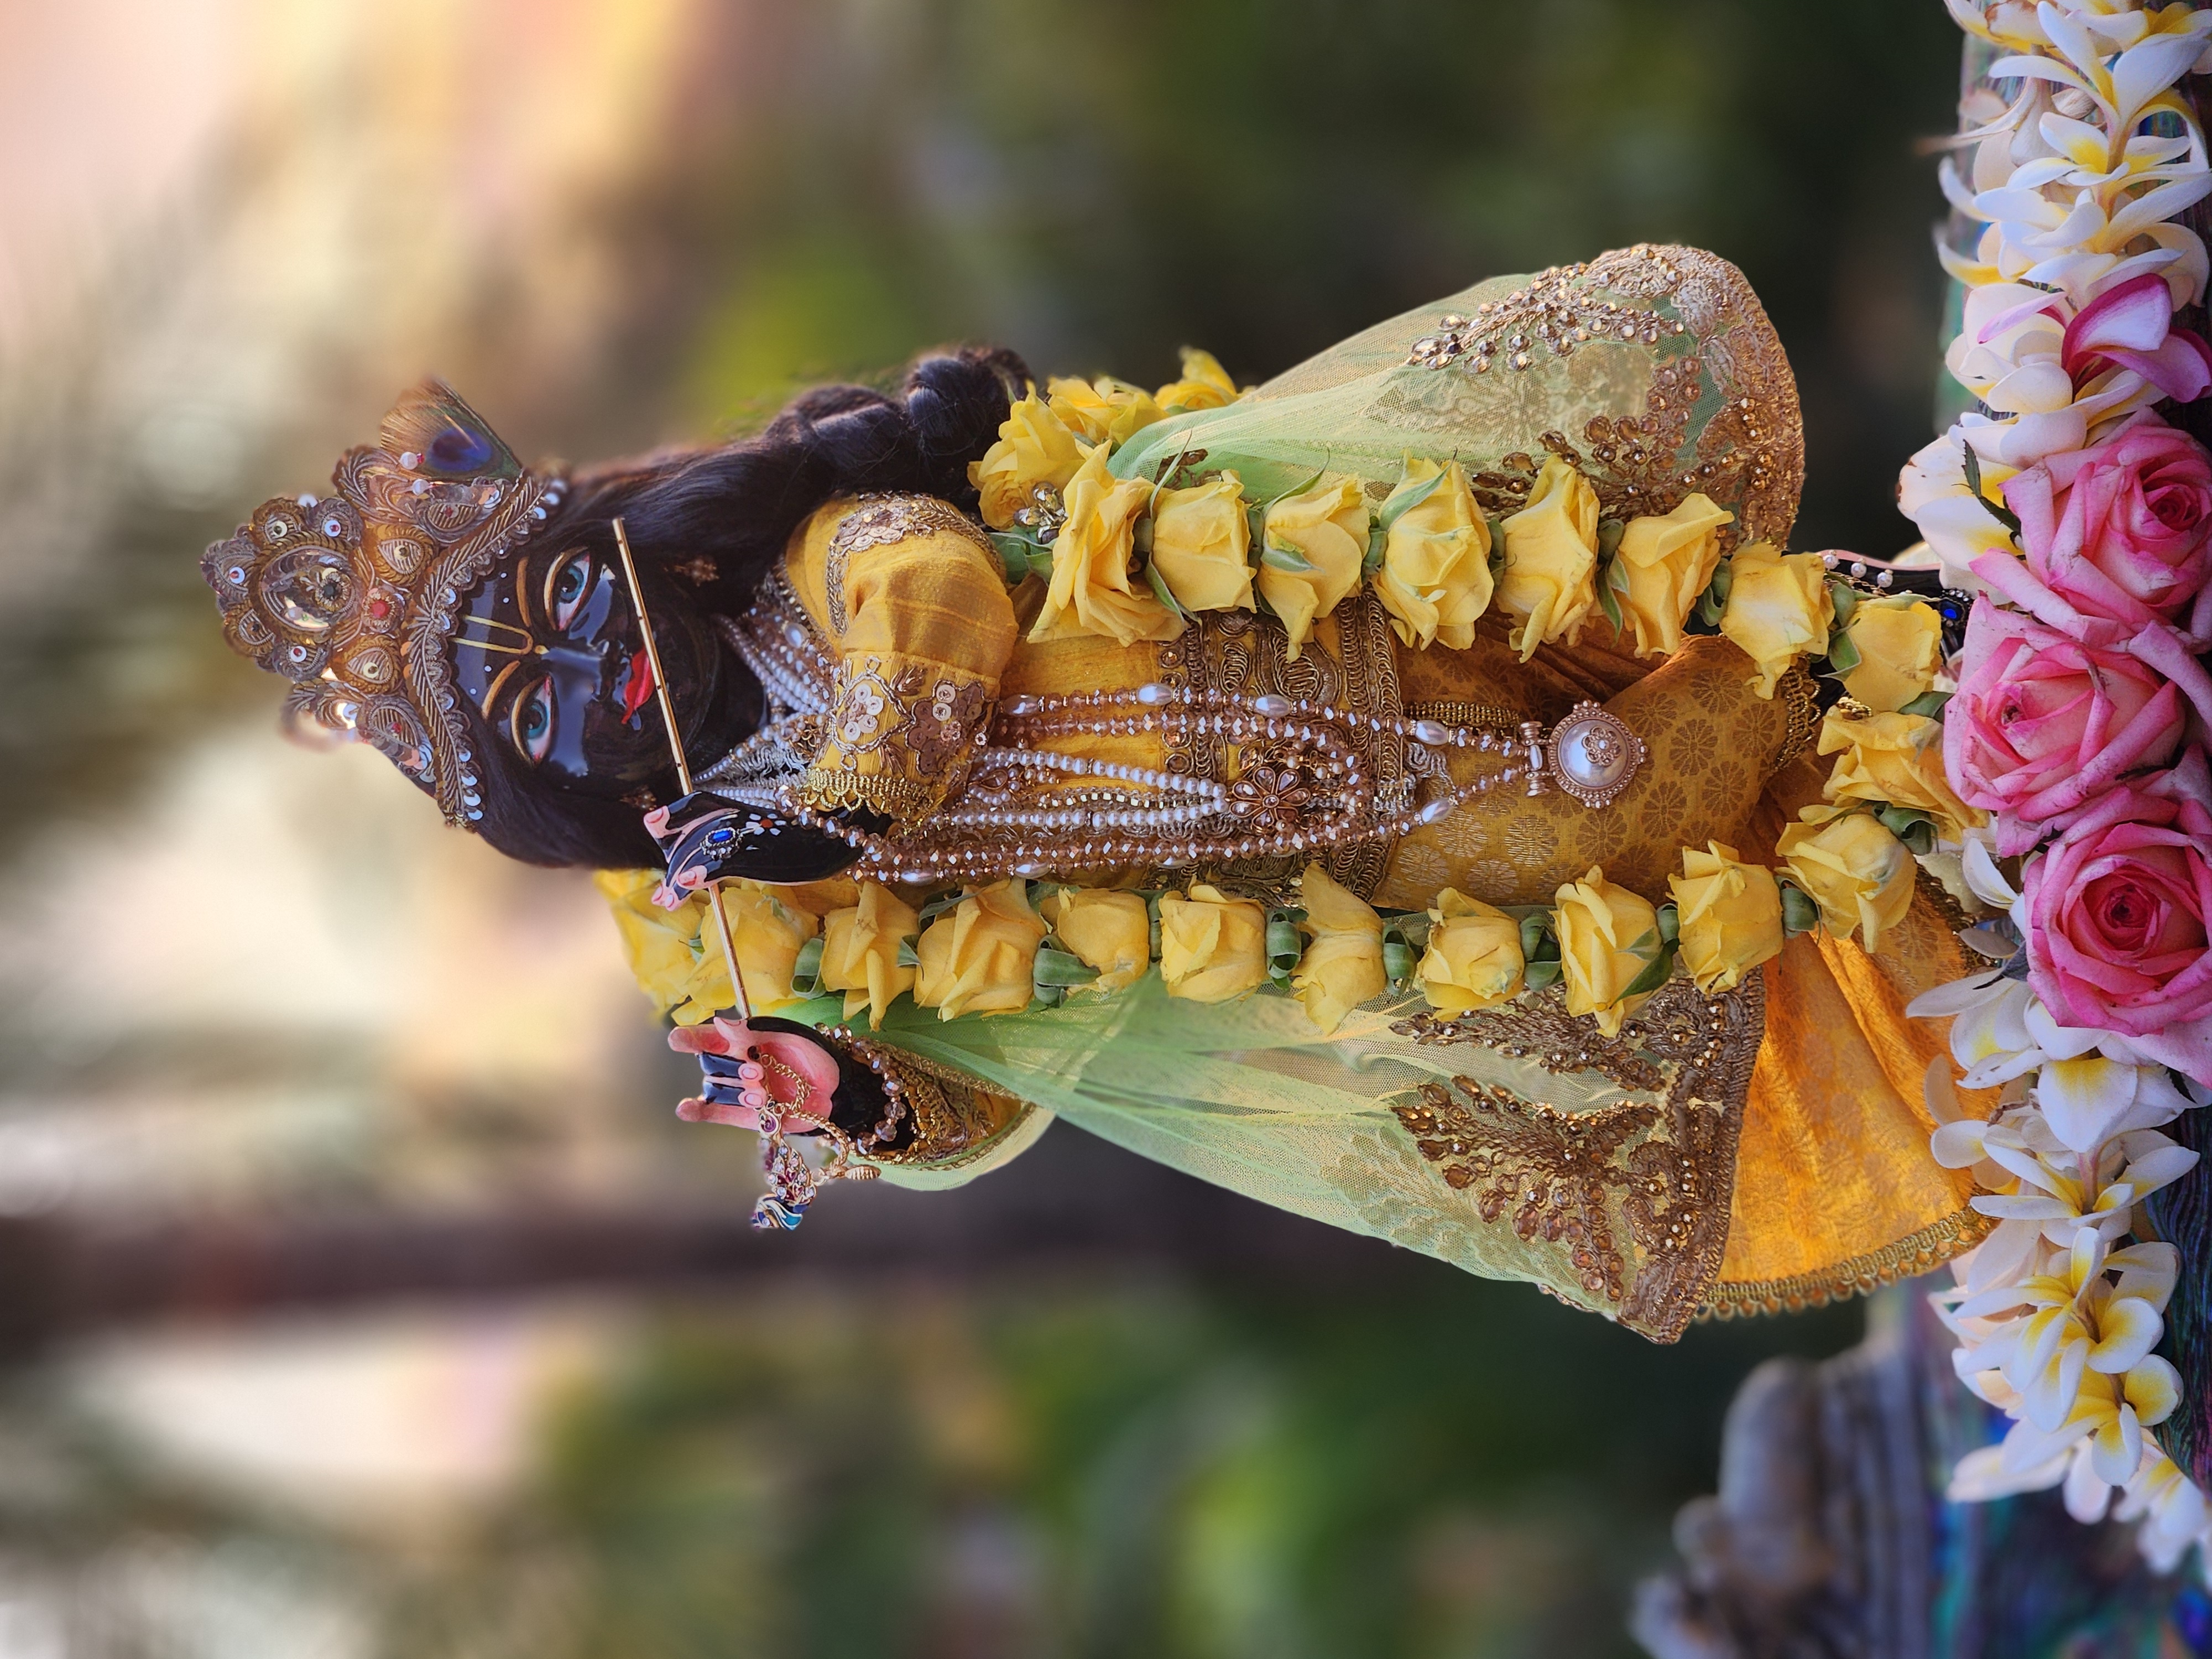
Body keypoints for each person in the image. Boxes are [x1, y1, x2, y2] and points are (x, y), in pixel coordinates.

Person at [202, 243, 1991, 1342]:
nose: (602, 689)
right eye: (546, 721)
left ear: (633, 544)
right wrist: (861, 1097)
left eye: (574, 618)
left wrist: (835, 807)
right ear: (542, 802)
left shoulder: (828, 564)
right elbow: (997, 1091)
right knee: (1621, 828)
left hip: (1348, 625)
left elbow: (945, 615)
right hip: (1354, 879)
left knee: (1691, 661)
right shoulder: (725, 921)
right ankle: (1991, 832)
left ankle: (1970, 664)